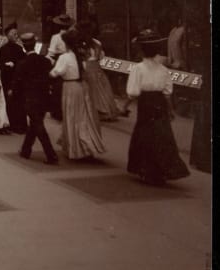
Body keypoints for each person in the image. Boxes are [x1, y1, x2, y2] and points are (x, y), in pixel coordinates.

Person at [125, 30, 190, 185]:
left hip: (145, 103)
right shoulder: (164, 70)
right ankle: (162, 170)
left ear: (141, 50)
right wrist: (170, 110)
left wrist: (124, 106)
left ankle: (146, 170)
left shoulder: (138, 69)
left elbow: (133, 92)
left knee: (144, 134)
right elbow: (167, 94)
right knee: (162, 135)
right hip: (159, 102)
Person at [49, 28, 106, 160]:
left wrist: (48, 73)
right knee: (83, 116)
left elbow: (56, 72)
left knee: (71, 116)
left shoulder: (64, 57)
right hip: (81, 87)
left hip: (70, 87)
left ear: (66, 43)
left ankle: (76, 147)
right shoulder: (80, 56)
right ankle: (86, 145)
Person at [11, 32, 59, 164]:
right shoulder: (45, 61)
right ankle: (26, 150)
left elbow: (17, 84)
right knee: (35, 124)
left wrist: (15, 97)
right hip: (43, 97)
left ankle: (51, 155)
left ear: (24, 47)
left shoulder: (22, 64)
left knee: (37, 125)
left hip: (30, 98)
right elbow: (50, 78)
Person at [76, 20, 120, 121]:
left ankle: (95, 111)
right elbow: (100, 57)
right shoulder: (97, 43)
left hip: (87, 67)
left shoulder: (79, 43)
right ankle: (105, 110)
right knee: (101, 90)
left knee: (90, 90)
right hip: (96, 68)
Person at [0, 22, 27, 133]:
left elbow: (24, 62)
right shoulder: (3, 49)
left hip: (18, 78)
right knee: (10, 102)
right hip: (8, 78)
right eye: (12, 33)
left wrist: (15, 64)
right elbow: (1, 63)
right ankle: (13, 125)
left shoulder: (19, 48)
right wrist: (7, 65)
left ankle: (21, 125)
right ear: (7, 35)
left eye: (16, 33)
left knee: (20, 102)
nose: (15, 35)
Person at [46, 13, 74, 120]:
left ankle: (58, 111)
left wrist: (48, 61)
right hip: (72, 60)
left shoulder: (56, 37)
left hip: (59, 60)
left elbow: (52, 52)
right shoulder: (73, 35)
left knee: (58, 87)